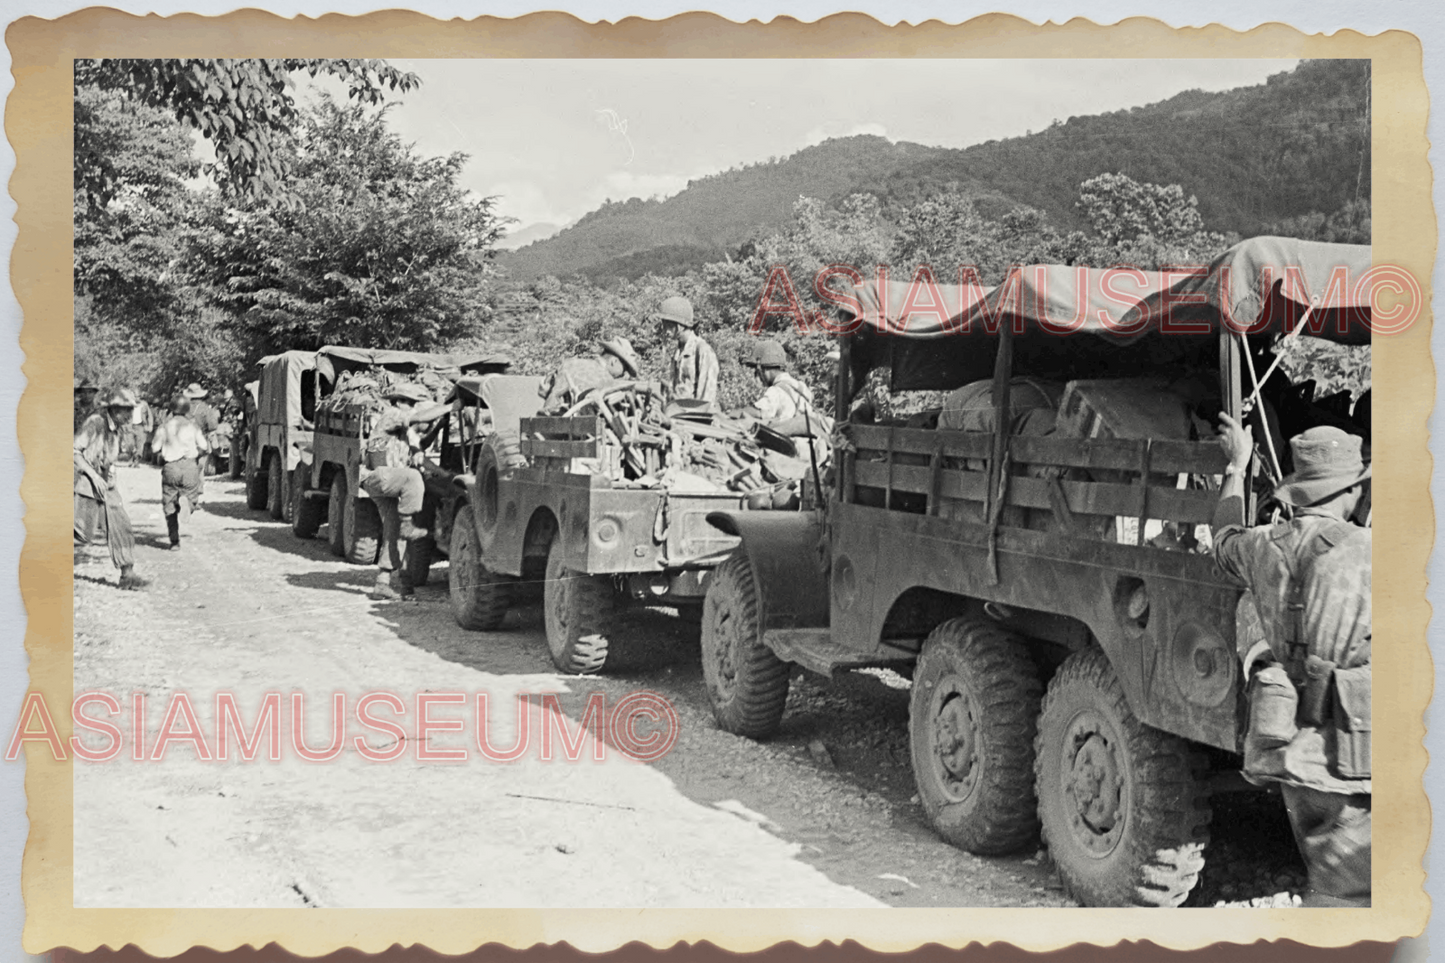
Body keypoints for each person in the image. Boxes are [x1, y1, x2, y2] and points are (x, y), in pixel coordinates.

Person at [1213, 417, 1372, 907]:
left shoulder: (1262, 546)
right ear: (1351, 492)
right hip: (1356, 754)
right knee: (1350, 896)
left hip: (1291, 749)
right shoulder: (1373, 553)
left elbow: (1221, 539)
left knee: (1332, 881)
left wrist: (1236, 467)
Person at [358, 383, 449, 601]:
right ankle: (408, 522)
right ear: (398, 402)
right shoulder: (391, 414)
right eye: (409, 403)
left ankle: (384, 583)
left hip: (387, 483)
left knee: (394, 529)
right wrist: (449, 407)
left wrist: (446, 475)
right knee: (413, 477)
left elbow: (420, 451)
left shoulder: (404, 434)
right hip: (378, 476)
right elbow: (419, 419)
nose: (412, 407)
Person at [74, 388, 145, 589]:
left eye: (131, 410)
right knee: (81, 534)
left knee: (121, 525)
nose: (130, 415)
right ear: (113, 410)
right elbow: (74, 451)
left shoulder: (118, 428)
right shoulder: (95, 423)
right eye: (125, 410)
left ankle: (127, 575)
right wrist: (94, 475)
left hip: (105, 484)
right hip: (86, 482)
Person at [149, 398, 211, 550]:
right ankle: (187, 505)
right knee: (192, 496)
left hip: (171, 467)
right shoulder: (193, 426)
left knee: (169, 505)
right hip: (190, 465)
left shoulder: (164, 427)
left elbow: (154, 448)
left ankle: (174, 542)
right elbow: (204, 445)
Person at [538, 337, 642, 412]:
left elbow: (548, 393)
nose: (624, 374)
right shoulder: (609, 381)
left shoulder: (569, 362)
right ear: (613, 361)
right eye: (624, 370)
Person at [656, 296, 718, 404]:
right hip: (676, 414)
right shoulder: (678, 352)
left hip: (693, 417)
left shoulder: (703, 351)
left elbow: (707, 398)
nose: (665, 330)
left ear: (679, 325)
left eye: (668, 325)